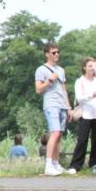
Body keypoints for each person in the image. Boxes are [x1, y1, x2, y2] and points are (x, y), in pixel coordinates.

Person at [34, 43, 72, 175]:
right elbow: (38, 89)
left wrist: (68, 107)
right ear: (47, 54)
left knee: (59, 135)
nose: (57, 54)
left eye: (58, 52)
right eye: (54, 52)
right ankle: (48, 165)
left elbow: (64, 89)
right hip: (51, 104)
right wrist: (50, 80)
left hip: (62, 105)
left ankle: (56, 164)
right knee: (55, 133)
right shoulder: (41, 69)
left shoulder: (61, 70)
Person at [69, 57, 96, 172]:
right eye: (90, 66)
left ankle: (95, 164)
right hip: (85, 112)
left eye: (94, 66)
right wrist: (91, 95)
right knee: (82, 139)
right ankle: (75, 165)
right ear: (84, 68)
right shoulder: (80, 81)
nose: (92, 68)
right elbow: (79, 98)